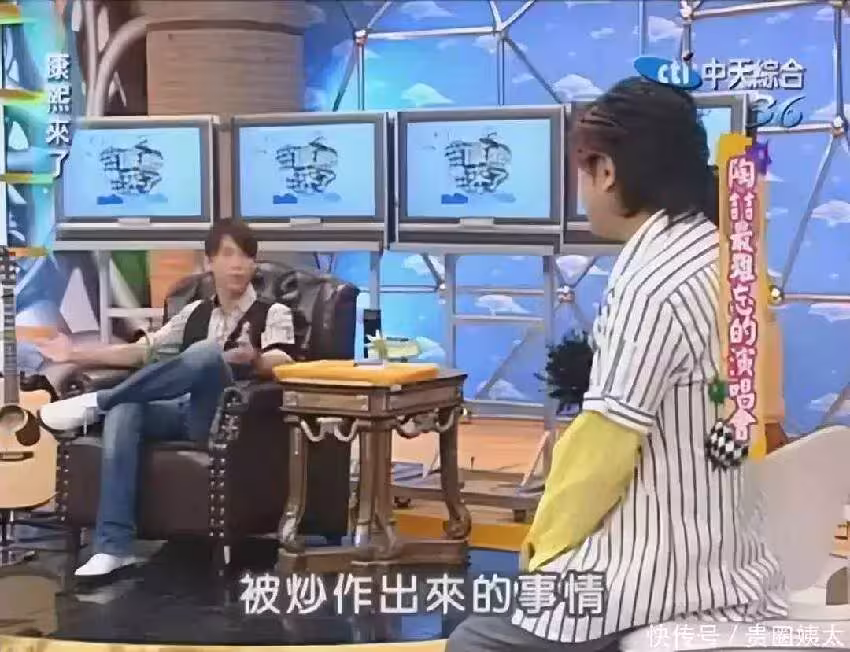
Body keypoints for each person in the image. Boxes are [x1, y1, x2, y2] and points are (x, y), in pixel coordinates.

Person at [447, 77, 787, 651]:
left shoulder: (651, 279)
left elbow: (604, 446)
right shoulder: (722, 251)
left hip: (666, 573)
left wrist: (543, 544)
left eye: (582, 171)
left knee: (477, 641)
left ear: (606, 171)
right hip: (734, 555)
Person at [37, 219, 296, 578]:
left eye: (246, 257)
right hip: (183, 411)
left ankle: (98, 402)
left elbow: (284, 361)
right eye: (228, 255)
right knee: (127, 410)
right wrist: (74, 354)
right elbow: (142, 352)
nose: (238, 265)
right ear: (209, 262)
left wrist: (255, 359)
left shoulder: (273, 312)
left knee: (206, 354)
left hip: (229, 419)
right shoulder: (193, 312)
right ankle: (114, 547)